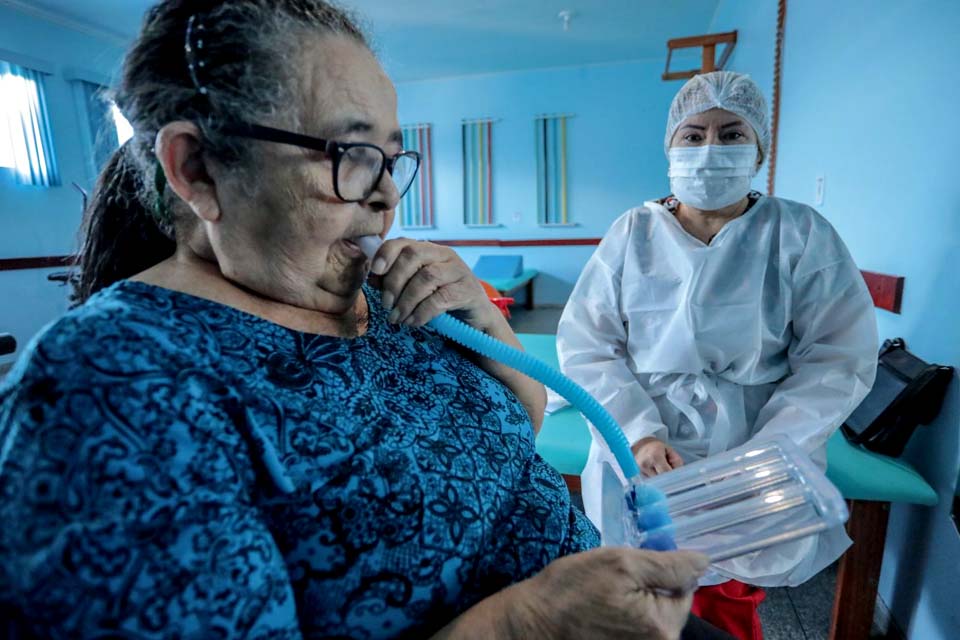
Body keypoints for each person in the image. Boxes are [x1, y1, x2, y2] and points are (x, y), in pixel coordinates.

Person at [0, 2, 726, 638]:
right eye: (349, 154)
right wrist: (525, 623)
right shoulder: (110, 393)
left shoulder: (375, 296)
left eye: (389, 157)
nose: (385, 195)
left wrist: (487, 325)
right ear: (198, 170)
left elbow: (518, 429)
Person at [556, 71, 878, 639]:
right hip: (643, 446)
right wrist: (637, 432)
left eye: (732, 135)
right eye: (693, 135)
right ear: (670, 147)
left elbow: (838, 355)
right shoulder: (632, 232)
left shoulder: (799, 232)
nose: (711, 150)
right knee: (643, 584)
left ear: (759, 148)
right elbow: (588, 344)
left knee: (731, 588)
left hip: (757, 441)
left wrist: (773, 453)